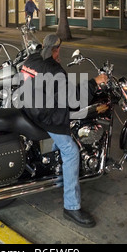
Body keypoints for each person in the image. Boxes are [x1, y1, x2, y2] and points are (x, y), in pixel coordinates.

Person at [20, 34, 108, 228]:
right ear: (55, 49)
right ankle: (71, 206)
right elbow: (74, 98)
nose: (60, 53)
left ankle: (59, 175)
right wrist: (95, 82)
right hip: (45, 116)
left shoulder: (32, 58)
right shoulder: (53, 69)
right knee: (71, 152)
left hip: (29, 106)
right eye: (59, 50)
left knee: (64, 135)